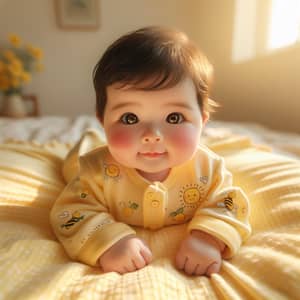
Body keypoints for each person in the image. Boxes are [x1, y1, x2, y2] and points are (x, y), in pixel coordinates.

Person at [50, 26, 251, 276]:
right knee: (71, 166)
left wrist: (208, 238)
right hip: (85, 160)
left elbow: (229, 202)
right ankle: (86, 141)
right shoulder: (93, 172)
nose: (152, 135)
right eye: (130, 118)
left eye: (175, 117)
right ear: (103, 120)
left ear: (203, 121)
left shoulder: (208, 169)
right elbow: (71, 212)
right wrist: (108, 242)